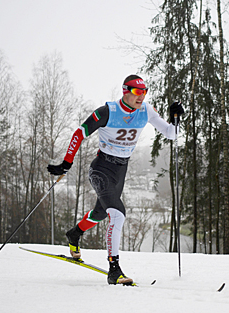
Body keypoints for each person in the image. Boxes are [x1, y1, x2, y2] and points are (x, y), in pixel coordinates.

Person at [47, 74, 184, 285]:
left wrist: (176, 118)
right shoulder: (107, 111)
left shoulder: (145, 110)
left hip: (121, 171)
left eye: (144, 92)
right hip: (101, 168)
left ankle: (74, 234)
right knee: (117, 214)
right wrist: (66, 163)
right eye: (138, 92)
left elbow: (171, 134)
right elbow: (79, 133)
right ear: (125, 91)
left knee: (101, 212)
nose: (142, 97)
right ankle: (114, 269)